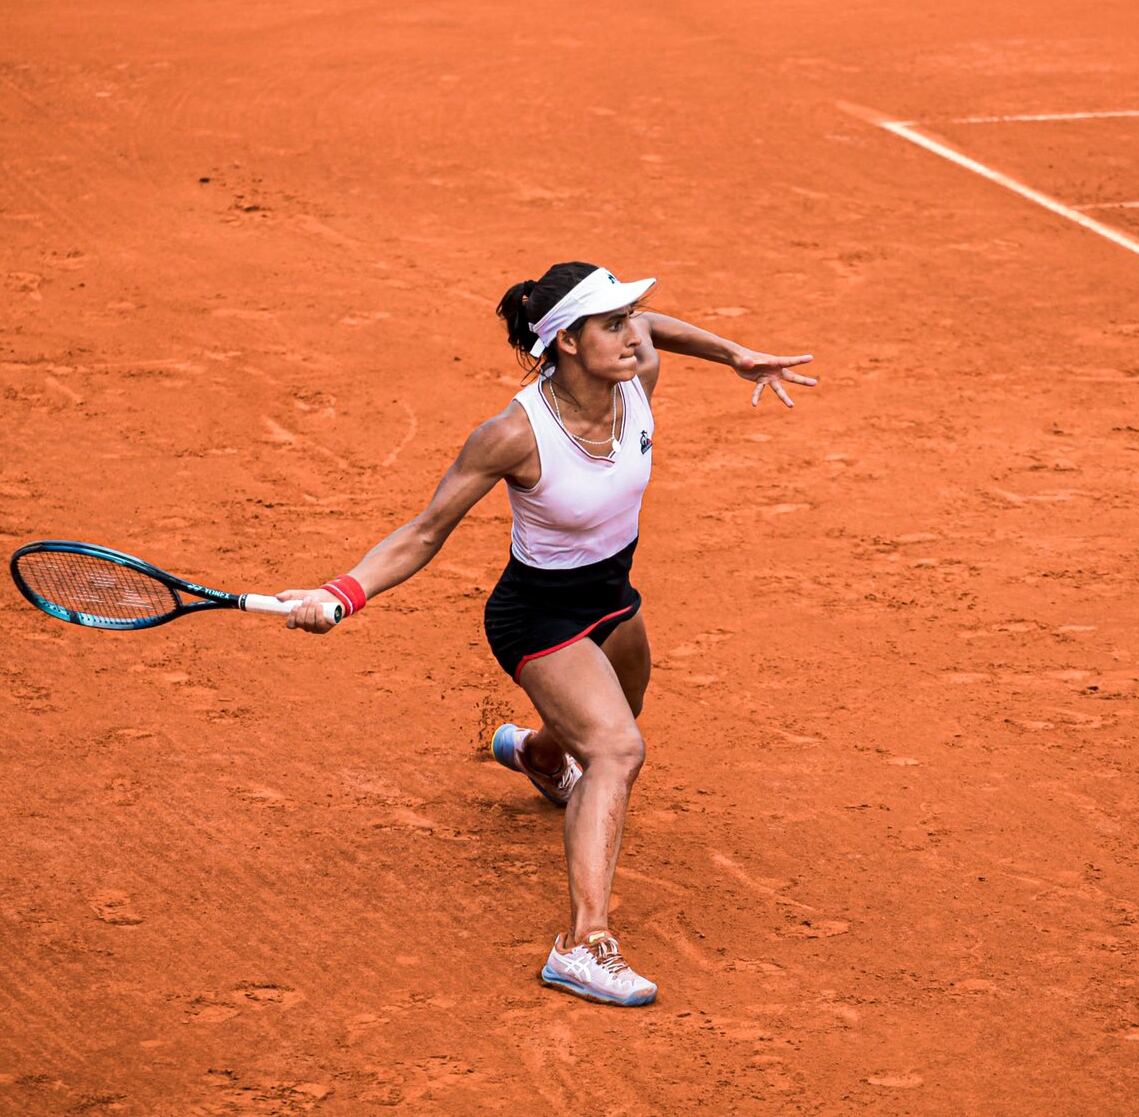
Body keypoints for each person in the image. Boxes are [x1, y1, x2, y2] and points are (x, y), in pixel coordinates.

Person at [278, 261, 816, 1006]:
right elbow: (425, 531)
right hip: (538, 616)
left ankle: (536, 753)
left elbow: (656, 328)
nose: (633, 336)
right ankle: (583, 945)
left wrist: (733, 355)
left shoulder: (636, 372)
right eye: (612, 324)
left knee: (614, 710)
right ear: (566, 341)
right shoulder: (513, 435)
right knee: (616, 749)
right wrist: (340, 593)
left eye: (628, 320)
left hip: (612, 596)